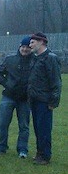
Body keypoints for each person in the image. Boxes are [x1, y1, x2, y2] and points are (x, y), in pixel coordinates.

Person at [0, 36, 32, 158]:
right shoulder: (10, 60)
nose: (25, 49)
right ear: (19, 47)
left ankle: (22, 150)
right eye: (23, 47)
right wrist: (7, 84)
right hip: (8, 96)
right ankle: (1, 147)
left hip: (25, 99)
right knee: (3, 123)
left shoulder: (34, 61)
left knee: (24, 125)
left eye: (28, 47)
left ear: (31, 48)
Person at [27, 32, 62, 165]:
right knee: (37, 128)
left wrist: (53, 101)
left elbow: (56, 82)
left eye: (32, 42)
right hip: (34, 100)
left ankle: (45, 156)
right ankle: (39, 153)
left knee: (44, 129)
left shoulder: (50, 58)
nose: (30, 45)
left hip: (44, 100)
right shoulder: (35, 58)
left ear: (41, 42)